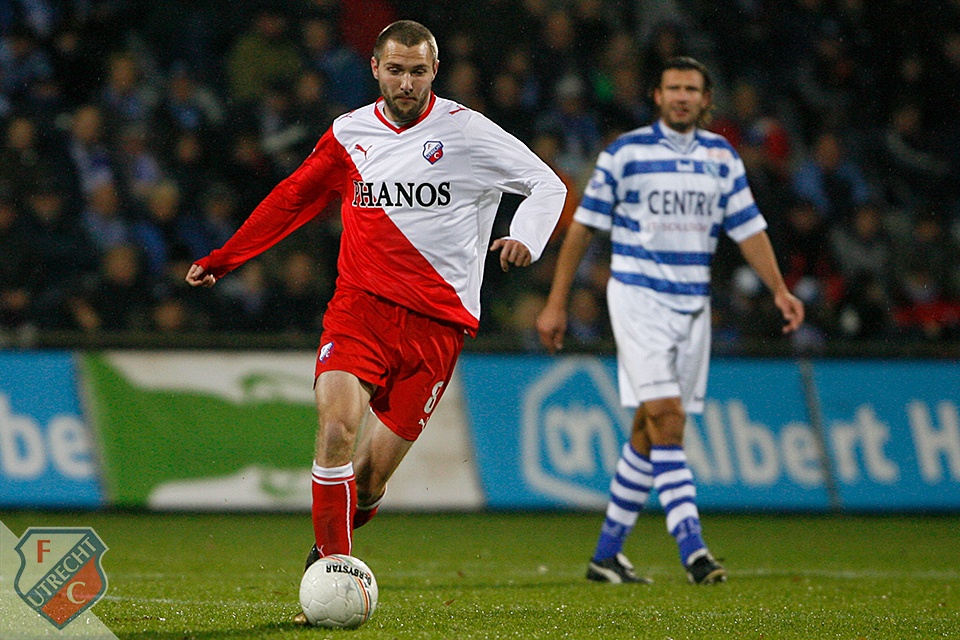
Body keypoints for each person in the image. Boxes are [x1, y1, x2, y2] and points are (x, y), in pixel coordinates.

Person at [186, 16, 564, 589]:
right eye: (395, 70)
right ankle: (332, 572)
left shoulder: (466, 132)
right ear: (375, 69)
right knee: (336, 429)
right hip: (359, 310)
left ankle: (330, 546)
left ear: (435, 70)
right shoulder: (349, 133)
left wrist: (527, 238)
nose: (406, 83)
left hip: (437, 328)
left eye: (417, 72)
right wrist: (225, 257)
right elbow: (293, 198)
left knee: (367, 482)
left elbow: (547, 184)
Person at [536, 56, 804, 586]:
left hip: (693, 306)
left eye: (691, 89)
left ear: (706, 100)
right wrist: (557, 301)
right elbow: (583, 228)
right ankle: (693, 549)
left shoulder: (721, 158)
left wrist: (779, 288)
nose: (682, 96)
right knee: (668, 415)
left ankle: (606, 556)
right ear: (657, 97)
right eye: (673, 88)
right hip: (638, 299)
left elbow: (748, 229)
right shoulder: (625, 154)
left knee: (649, 426)